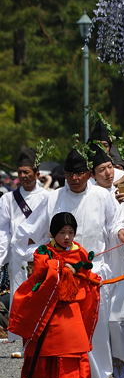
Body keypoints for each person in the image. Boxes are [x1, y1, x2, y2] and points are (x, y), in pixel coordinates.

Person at [14, 147, 124, 378]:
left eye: (80, 173)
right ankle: (51, 375)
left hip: (91, 270)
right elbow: (30, 230)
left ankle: (102, 375)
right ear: (66, 175)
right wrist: (33, 255)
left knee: (96, 323)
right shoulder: (53, 198)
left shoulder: (102, 196)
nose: (74, 178)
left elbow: (115, 224)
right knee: (55, 325)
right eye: (70, 173)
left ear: (88, 174)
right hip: (59, 272)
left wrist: (122, 233)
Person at [9, 212, 101, 378]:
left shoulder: (80, 251)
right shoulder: (43, 251)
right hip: (48, 308)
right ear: (52, 234)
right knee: (48, 350)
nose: (67, 237)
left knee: (69, 349)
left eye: (70, 232)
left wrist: (81, 272)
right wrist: (62, 268)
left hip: (71, 307)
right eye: (62, 232)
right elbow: (43, 271)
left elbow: (86, 271)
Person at [90, 146, 124, 378]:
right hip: (96, 261)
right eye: (102, 170)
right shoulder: (89, 194)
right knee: (98, 315)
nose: (108, 173)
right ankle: (98, 362)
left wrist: (122, 232)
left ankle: (122, 358)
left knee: (119, 315)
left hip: (118, 259)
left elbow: (119, 222)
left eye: (110, 167)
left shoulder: (122, 192)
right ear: (93, 174)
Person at [0, 148, 50, 354]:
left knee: (40, 298)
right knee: (19, 298)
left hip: (40, 253)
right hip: (17, 255)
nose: (23, 176)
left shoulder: (49, 197)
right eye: (20, 172)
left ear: (37, 174)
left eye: (27, 172)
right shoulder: (7, 200)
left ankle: (40, 338)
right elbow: (3, 231)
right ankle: (21, 339)